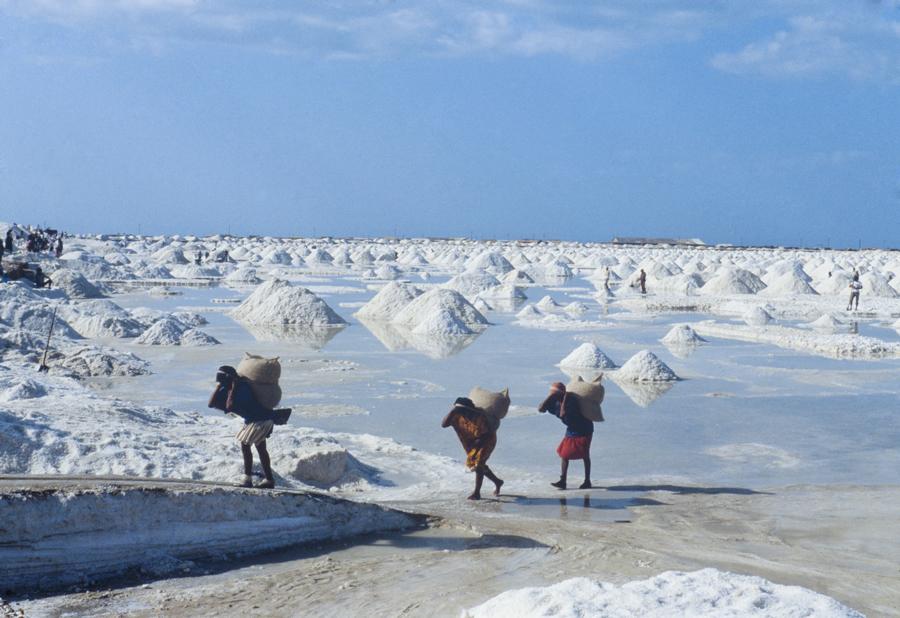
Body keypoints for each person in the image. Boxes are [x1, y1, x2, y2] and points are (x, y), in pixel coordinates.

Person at [209, 365, 277, 488]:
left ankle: (249, 480)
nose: (221, 382)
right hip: (254, 421)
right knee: (259, 448)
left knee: (247, 446)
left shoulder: (242, 388)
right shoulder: (228, 387)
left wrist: (234, 388)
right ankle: (268, 480)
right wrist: (219, 386)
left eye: (222, 379)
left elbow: (229, 406)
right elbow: (211, 404)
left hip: (261, 420)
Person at [441, 397, 504, 500]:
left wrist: (477, 444)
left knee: (478, 464)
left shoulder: (479, 416)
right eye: (459, 411)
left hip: (487, 440)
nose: (462, 413)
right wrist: (453, 411)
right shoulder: (456, 416)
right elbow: (444, 424)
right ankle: (497, 481)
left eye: (462, 411)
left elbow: (486, 434)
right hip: (470, 443)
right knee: (478, 464)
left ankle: (477, 493)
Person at [539, 382, 593, 490]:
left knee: (585, 454)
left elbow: (563, 413)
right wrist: (550, 396)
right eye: (552, 394)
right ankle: (563, 480)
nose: (553, 396)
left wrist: (564, 399)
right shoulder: (555, 401)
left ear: (561, 394)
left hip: (584, 428)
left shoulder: (571, 401)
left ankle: (587, 481)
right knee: (564, 454)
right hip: (572, 428)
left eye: (555, 394)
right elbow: (540, 409)